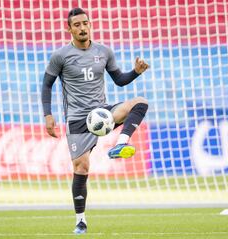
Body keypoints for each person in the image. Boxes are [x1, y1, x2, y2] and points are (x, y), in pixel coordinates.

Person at [41, 7, 149, 234]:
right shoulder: (60, 56)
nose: (82, 28)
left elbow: (119, 80)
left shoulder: (104, 51)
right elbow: (47, 85)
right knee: (81, 167)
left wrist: (136, 72)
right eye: (77, 25)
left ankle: (121, 144)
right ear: (68, 29)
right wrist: (48, 115)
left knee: (140, 102)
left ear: (90, 25)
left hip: (102, 113)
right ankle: (80, 219)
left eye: (85, 23)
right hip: (78, 119)